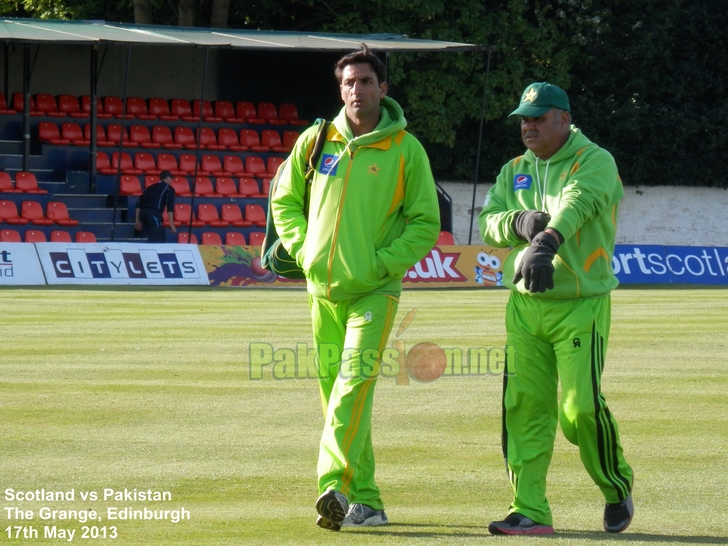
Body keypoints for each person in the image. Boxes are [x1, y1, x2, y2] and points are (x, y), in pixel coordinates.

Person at [271, 45, 440, 531]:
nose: (356, 90)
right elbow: (284, 201)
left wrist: (379, 266)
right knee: (338, 398)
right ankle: (369, 501)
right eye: (348, 82)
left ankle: (334, 487)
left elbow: (425, 223)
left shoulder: (406, 149)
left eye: (366, 82)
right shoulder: (316, 139)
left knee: (350, 388)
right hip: (321, 292)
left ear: (383, 89)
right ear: (339, 88)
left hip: (374, 292)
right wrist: (305, 254)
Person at [478, 82, 634, 535]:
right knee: (524, 407)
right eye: (524, 119)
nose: (528, 126)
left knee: (579, 411)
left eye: (538, 117)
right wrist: (518, 222)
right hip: (525, 306)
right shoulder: (514, 170)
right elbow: (489, 222)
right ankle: (529, 509)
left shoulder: (595, 160)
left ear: (564, 119)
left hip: (580, 304)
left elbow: (579, 203)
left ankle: (615, 484)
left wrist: (547, 240)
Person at [134, 170, 176, 242]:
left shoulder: (149, 187)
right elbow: (170, 207)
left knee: (156, 234)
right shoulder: (168, 188)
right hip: (154, 214)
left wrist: (137, 220)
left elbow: (139, 203)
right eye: (171, 178)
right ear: (167, 178)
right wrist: (171, 224)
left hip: (143, 214)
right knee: (158, 237)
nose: (171, 181)